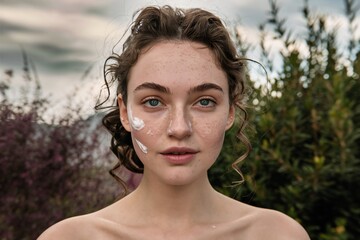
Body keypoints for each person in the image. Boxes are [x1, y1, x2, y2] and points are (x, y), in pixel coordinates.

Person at [38, 5, 310, 240]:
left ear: (230, 111)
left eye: (204, 102)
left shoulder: (279, 235)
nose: (179, 128)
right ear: (124, 112)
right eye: (153, 102)